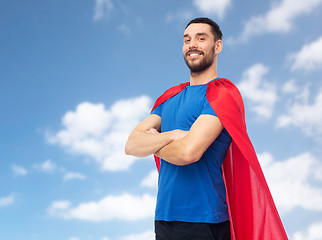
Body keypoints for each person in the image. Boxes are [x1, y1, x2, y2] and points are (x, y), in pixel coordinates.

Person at [125, 17, 288, 240]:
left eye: (201, 38)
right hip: (163, 218)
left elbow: (188, 152)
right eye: (187, 39)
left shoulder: (222, 94)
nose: (192, 44)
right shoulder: (169, 97)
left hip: (204, 222)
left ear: (217, 46)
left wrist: (153, 141)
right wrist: (172, 135)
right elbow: (131, 145)